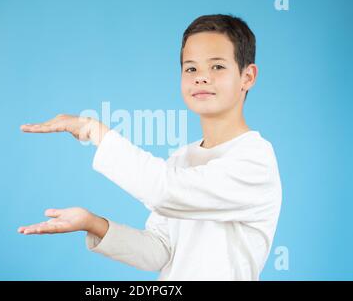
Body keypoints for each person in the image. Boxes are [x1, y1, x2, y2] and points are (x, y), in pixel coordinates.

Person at [17, 14, 282, 281]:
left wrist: (94, 130)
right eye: (191, 68)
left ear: (247, 77)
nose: (202, 77)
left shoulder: (255, 159)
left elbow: (164, 191)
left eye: (217, 67)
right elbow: (160, 250)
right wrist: (92, 223)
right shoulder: (182, 158)